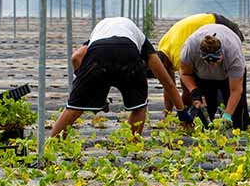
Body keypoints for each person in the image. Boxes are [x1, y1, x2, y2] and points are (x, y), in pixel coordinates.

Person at [51, 17, 190, 138]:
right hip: (127, 51)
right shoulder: (143, 42)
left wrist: (83, 83)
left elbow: (75, 57)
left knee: (74, 107)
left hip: (98, 53)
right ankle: (133, 145)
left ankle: (51, 145)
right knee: (139, 106)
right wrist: (182, 111)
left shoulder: (96, 34)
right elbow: (168, 82)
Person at [155, 13, 246, 114]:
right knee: (206, 90)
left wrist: (184, 109)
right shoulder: (161, 53)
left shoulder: (178, 55)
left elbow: (185, 90)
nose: (213, 64)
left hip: (221, 24)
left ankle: (227, 112)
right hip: (203, 29)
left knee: (225, 87)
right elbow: (168, 84)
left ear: (164, 64)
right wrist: (167, 113)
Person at [180, 24, 250, 130]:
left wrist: (227, 115)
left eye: (215, 61)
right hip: (203, 77)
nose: (212, 65)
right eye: (207, 61)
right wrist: (195, 92)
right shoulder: (191, 47)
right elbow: (185, 74)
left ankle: (239, 130)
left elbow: (236, 90)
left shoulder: (233, 55)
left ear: (221, 54)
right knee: (205, 113)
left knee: (237, 114)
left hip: (228, 76)